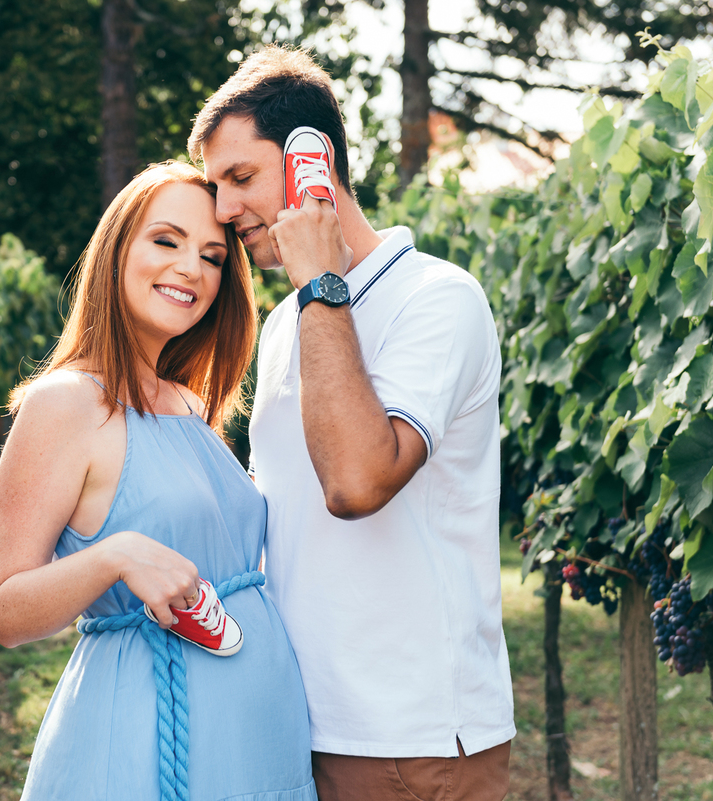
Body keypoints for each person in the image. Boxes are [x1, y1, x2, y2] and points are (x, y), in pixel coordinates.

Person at [188, 47, 514, 801]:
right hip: (298, 722)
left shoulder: (439, 298)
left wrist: (318, 282)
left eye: (241, 178)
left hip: (411, 742)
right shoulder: (285, 326)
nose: (225, 209)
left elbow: (358, 479)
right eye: (216, 187)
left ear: (313, 163)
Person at [0, 161, 318, 801]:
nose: (192, 268)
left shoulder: (189, 405)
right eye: (167, 241)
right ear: (115, 253)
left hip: (256, 744)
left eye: (213, 256)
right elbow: (3, 611)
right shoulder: (67, 404)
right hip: (148, 743)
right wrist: (116, 555)